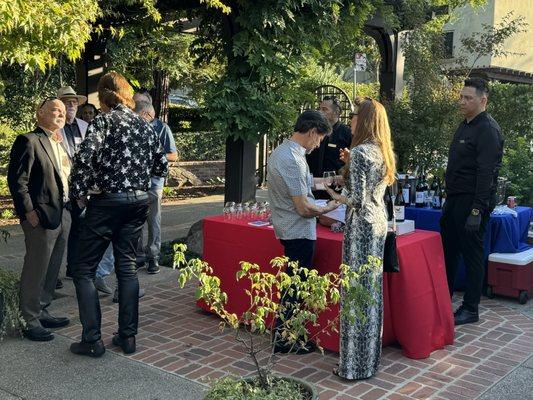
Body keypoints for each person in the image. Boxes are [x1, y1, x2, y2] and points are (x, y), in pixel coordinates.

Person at [68, 72, 168, 357]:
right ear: (126, 94)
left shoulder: (103, 121)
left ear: (103, 96)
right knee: (126, 268)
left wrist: (80, 193)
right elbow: (161, 166)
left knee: (83, 269)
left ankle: (92, 340)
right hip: (137, 202)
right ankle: (128, 337)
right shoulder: (144, 124)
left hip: (107, 202)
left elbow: (84, 158)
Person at [325, 98, 396, 380]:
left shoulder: (361, 152)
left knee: (355, 293)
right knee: (371, 292)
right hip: (377, 222)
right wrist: (348, 170)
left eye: (355, 116)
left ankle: (352, 366)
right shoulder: (381, 151)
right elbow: (369, 189)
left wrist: (334, 196)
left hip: (361, 227)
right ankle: (368, 362)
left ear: (363, 120)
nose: (351, 120)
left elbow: (356, 199)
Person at [267, 110, 339, 354]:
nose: (319, 144)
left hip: (287, 227)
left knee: (293, 283)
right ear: (311, 132)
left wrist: (328, 183)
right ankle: (285, 338)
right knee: (296, 286)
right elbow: (304, 208)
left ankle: (286, 333)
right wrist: (329, 207)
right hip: (297, 229)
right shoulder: (293, 159)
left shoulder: (281, 151)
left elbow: (304, 187)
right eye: (319, 138)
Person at [7, 98, 72, 341]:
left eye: (64, 112)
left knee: (52, 269)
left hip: (63, 214)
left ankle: (42, 309)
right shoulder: (29, 140)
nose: (61, 114)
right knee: (36, 268)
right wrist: (28, 213)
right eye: (56, 109)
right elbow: (18, 181)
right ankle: (29, 319)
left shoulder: (60, 143)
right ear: (40, 112)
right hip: (40, 217)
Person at [440, 77, 503, 326]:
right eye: (461, 97)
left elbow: (487, 173)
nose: (463, 101)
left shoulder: (488, 129)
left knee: (472, 254)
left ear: (483, 100)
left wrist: (477, 210)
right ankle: (444, 299)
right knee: (450, 251)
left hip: (472, 202)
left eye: (468, 98)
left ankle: (470, 308)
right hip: (454, 199)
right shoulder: (465, 124)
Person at [135, 100, 178, 274]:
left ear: (147, 114)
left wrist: (153, 156)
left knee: (153, 221)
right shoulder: (134, 127)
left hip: (154, 183)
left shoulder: (162, 128)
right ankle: (137, 257)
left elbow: (174, 155)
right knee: (135, 220)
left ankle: (153, 257)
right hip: (136, 182)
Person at [56, 86, 89, 284]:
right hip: (60, 185)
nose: (71, 104)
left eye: (74, 101)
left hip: (80, 185)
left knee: (79, 228)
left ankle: (72, 267)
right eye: (67, 101)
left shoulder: (84, 126)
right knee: (59, 231)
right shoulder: (55, 126)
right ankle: (52, 274)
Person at [306, 96, 352, 199]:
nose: (320, 112)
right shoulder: (314, 131)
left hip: (335, 190)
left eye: (324, 109)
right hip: (312, 187)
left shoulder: (346, 133)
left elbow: (351, 160)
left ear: (336, 112)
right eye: (320, 108)